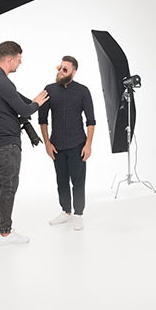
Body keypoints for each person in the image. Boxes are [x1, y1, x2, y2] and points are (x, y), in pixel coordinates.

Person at [0, 41, 49, 245]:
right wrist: (37, 103)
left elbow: (16, 99)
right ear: (9, 59)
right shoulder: (2, 82)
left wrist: (35, 100)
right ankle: (6, 233)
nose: (20, 63)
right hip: (6, 145)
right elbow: (25, 110)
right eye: (19, 59)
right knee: (9, 186)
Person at [39, 56, 95, 231]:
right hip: (57, 145)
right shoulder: (49, 90)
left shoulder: (83, 91)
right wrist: (47, 143)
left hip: (78, 144)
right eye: (59, 68)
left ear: (73, 72)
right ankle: (66, 211)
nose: (60, 71)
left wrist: (88, 145)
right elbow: (42, 120)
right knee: (61, 181)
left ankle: (78, 214)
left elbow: (91, 121)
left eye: (65, 69)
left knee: (78, 181)